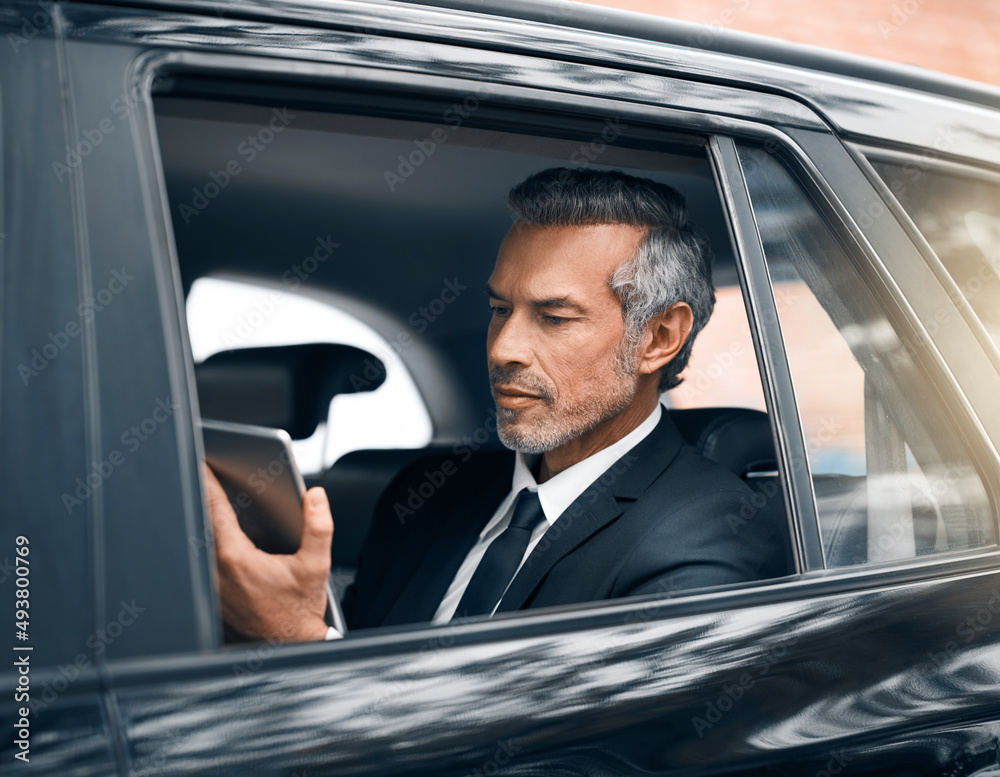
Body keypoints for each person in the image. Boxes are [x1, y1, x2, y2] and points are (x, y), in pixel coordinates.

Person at [205, 167, 791, 643]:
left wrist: (297, 643)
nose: (504, 347)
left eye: (554, 317)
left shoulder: (710, 542)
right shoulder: (429, 491)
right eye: (498, 309)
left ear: (659, 338)